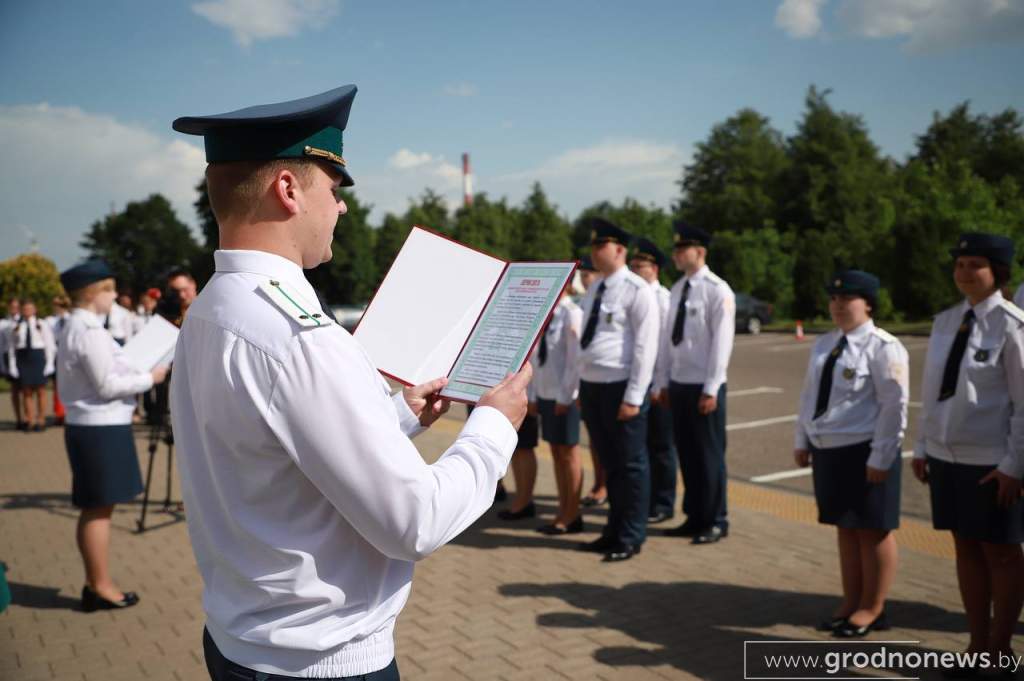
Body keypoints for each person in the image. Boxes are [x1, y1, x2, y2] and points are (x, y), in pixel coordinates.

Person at [170, 85, 530, 681]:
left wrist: (403, 414)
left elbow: (280, 455)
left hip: (242, 640)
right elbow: (413, 522)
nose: (340, 209)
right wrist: (496, 423)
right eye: (333, 190)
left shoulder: (212, 308)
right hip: (320, 660)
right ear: (288, 191)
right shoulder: (302, 336)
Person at [912, 233, 1024, 675]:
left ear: (997, 271)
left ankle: (1000, 651)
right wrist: (922, 446)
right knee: (966, 550)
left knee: (1002, 554)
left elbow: (1023, 404)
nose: (963, 272)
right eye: (959, 264)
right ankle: (977, 648)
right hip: (946, 459)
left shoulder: (1013, 326)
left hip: (993, 463)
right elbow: (930, 394)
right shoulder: (946, 322)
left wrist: (1015, 465)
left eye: (974, 264)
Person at [793, 270, 909, 638]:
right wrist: (802, 438)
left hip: (865, 451)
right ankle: (851, 600)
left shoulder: (883, 346)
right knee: (846, 529)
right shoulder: (825, 344)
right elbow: (809, 396)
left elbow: (894, 407)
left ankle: (873, 607)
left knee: (873, 531)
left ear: (868, 303)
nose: (839, 305)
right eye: (834, 299)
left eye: (848, 299)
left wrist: (881, 457)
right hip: (830, 450)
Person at [56, 259, 168, 611]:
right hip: (98, 424)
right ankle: (99, 585)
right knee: (98, 510)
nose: (116, 296)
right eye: (111, 290)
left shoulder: (83, 326)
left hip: (96, 425)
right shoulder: (87, 330)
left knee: (97, 507)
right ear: (95, 293)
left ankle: (97, 582)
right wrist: (150, 379)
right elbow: (106, 385)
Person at [576, 217, 659, 562]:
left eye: (601, 246)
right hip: (593, 386)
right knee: (609, 464)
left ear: (620, 250)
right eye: (593, 246)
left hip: (620, 387)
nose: (595, 252)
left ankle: (631, 535)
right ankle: (612, 530)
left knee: (630, 465)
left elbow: (645, 347)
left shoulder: (637, 290)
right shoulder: (596, 288)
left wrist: (634, 397)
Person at [655, 222, 735, 545]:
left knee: (709, 456)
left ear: (699, 252)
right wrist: (663, 381)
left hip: (703, 385)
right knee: (687, 454)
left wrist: (712, 387)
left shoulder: (717, 290)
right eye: (675, 249)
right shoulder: (677, 289)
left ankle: (716, 519)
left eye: (681, 249)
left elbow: (722, 343)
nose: (675, 254)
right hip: (679, 383)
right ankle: (695, 515)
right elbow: (666, 342)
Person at [629, 237, 678, 525]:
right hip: (638, 381)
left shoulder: (664, 300)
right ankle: (645, 499)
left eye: (641, 265)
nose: (636, 270)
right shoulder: (635, 296)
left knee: (661, 446)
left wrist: (661, 385)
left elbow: (665, 348)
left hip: (658, 383)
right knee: (642, 446)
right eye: (633, 266)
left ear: (655, 268)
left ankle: (663, 502)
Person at [533, 274, 585, 534]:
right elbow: (535, 357)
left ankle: (572, 514)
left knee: (569, 454)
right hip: (546, 394)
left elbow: (575, 362)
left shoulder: (572, 313)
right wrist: (534, 396)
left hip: (564, 397)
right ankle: (562, 510)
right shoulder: (546, 313)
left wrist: (566, 397)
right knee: (556, 453)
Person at [575, 255, 607, 508]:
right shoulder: (583, 302)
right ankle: (599, 483)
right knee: (595, 439)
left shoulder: (600, 301)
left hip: (607, 381)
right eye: (583, 275)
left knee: (605, 441)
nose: (585, 280)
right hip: (586, 380)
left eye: (588, 274)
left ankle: (604, 485)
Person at [7, 299, 56, 432]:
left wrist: (50, 363)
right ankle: (30, 419)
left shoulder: (41, 324)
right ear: (22, 311)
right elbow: (11, 347)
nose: (28, 311)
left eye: (30, 309)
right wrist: (12, 365)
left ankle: (41, 419)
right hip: (23, 358)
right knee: (26, 391)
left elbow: (49, 344)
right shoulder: (16, 326)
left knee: (41, 391)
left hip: (38, 357)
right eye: (25, 309)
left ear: (34, 310)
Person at [47, 296, 72, 425]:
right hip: (57, 353)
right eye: (56, 305)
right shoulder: (50, 321)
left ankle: (69, 412)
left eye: (62, 305)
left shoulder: (72, 319)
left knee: (71, 383)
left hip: (70, 353)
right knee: (58, 385)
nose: (59, 308)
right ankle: (59, 413)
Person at [1, 297, 24, 428]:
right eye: (12, 307)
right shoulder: (4, 323)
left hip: (24, 357)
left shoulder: (26, 320)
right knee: (15, 390)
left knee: (27, 389)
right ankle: (19, 419)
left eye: (17, 307)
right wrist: (2, 365)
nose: (15, 309)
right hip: (9, 357)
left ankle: (28, 417)